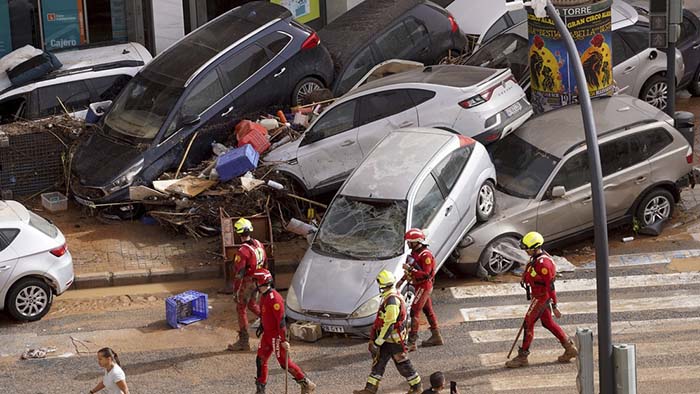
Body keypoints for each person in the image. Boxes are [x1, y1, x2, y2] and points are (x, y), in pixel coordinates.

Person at [505, 231, 578, 368]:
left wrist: (555, 305)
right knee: (547, 323)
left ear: (535, 247)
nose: (526, 251)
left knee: (528, 324)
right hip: (537, 296)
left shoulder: (544, 264)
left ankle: (522, 357)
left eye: (527, 248)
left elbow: (550, 286)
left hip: (541, 298)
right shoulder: (536, 257)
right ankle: (569, 348)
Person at [354, 270, 422, 394]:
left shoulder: (391, 302)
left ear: (382, 285)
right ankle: (370, 389)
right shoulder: (390, 295)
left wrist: (378, 342)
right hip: (387, 338)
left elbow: (389, 324)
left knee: (402, 363)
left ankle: (417, 387)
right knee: (379, 362)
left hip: (393, 339)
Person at [252, 268, 316, 394]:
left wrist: (284, 340)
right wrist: (262, 325)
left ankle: (306, 383)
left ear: (262, 282)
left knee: (284, 363)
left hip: (276, 337)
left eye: (256, 282)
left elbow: (281, 321)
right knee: (260, 360)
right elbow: (265, 314)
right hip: (267, 335)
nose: (255, 285)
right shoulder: (264, 296)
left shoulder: (275, 299)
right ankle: (260, 390)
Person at [228, 218, 267, 352]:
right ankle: (270, 321)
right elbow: (265, 264)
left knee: (241, 308)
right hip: (258, 279)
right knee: (252, 304)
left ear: (238, 233)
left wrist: (235, 291)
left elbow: (239, 274)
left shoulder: (243, 251)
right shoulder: (259, 244)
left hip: (248, 282)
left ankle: (244, 342)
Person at [401, 228, 443, 352]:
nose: (408, 244)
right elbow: (411, 268)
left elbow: (426, 274)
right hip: (419, 286)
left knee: (414, 312)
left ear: (417, 242)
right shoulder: (414, 253)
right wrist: (402, 280)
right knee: (428, 310)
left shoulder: (426, 256)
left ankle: (412, 342)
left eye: (410, 242)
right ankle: (436, 336)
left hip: (424, 286)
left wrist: (411, 271)